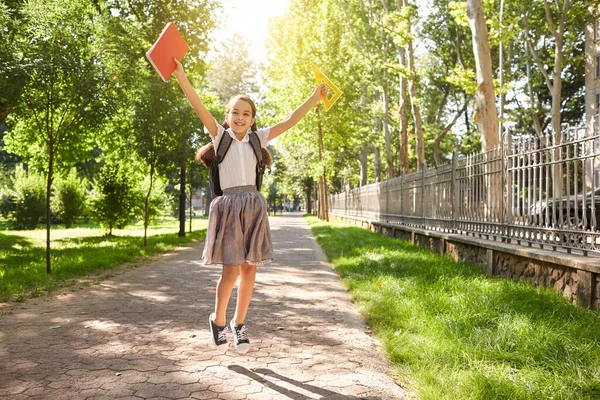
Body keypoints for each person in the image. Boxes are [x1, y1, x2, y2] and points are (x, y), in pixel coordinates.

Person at [173, 58, 327, 353]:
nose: (241, 117)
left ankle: (239, 324)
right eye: (235, 113)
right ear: (227, 116)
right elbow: (197, 106)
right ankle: (218, 321)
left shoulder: (260, 138)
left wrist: (315, 96)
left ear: (253, 118)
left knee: (250, 270)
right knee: (230, 271)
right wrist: (181, 75)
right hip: (229, 208)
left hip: (254, 208)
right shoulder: (220, 137)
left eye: (246, 113)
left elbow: (292, 119)